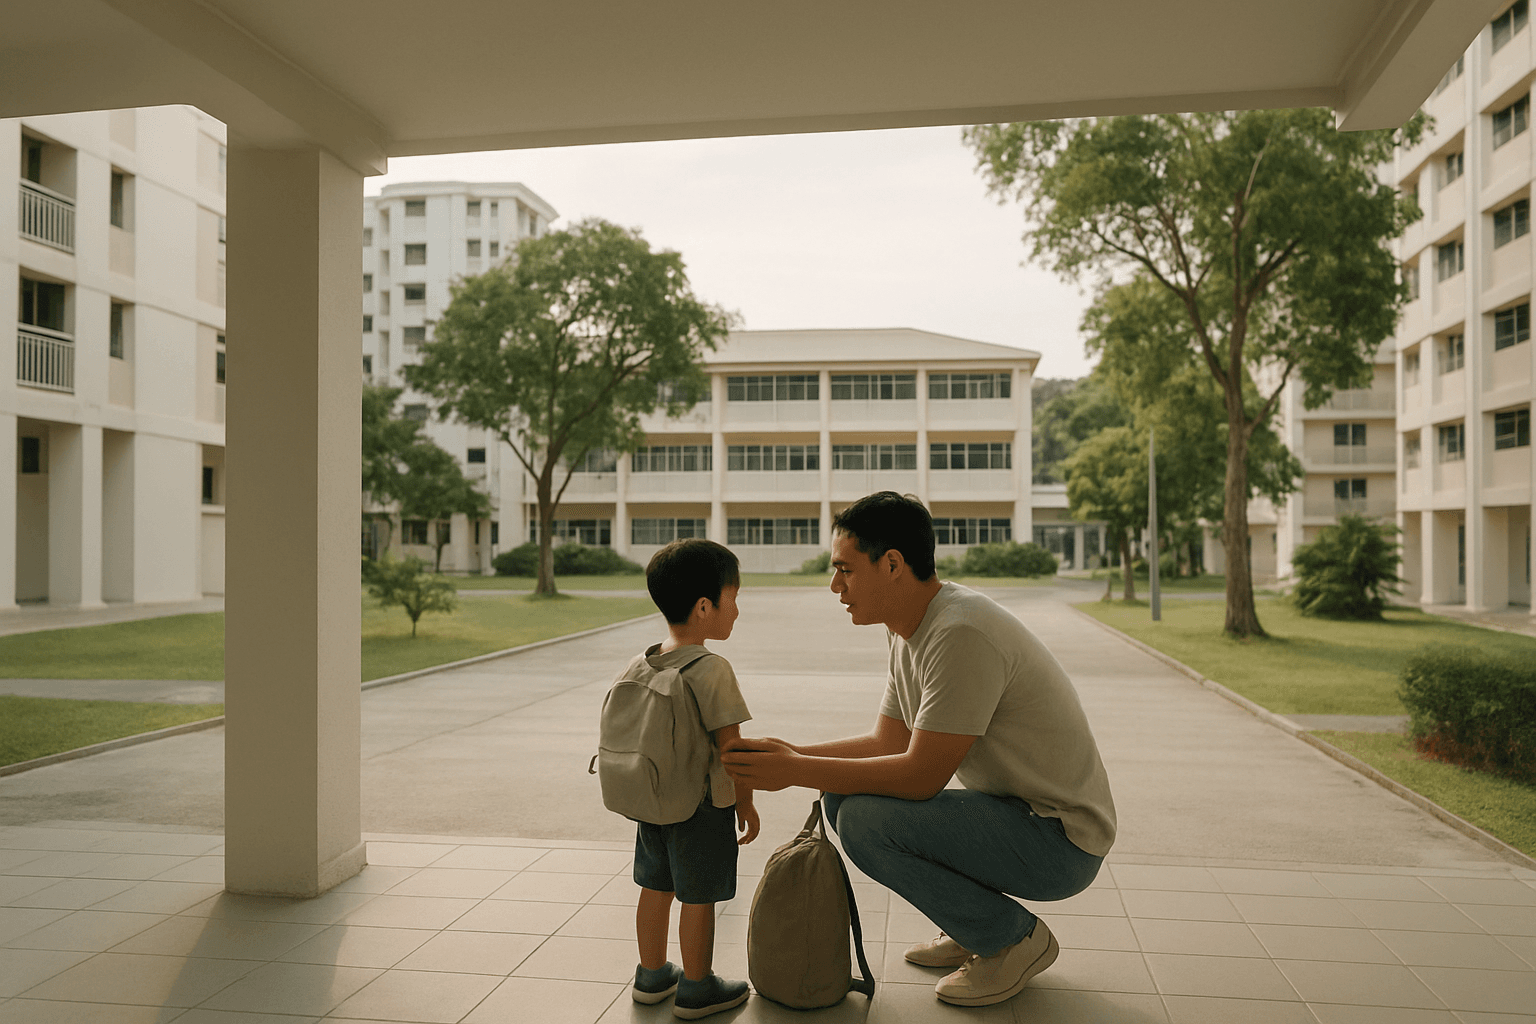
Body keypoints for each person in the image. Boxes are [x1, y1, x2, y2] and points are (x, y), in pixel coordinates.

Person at [722, 491, 1115, 1008]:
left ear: (891, 565)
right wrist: (789, 754)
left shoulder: (960, 632)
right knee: (843, 801)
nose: (834, 585)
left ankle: (1010, 940)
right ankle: (975, 924)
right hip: (1018, 816)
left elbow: (919, 777)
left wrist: (794, 769)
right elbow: (889, 742)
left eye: (844, 569)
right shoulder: (909, 628)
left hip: (1060, 841)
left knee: (862, 820)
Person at [618, 538, 759, 1020]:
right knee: (699, 894)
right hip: (700, 806)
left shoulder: (643, 660)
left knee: (655, 886)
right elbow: (733, 751)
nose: (737, 611)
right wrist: (746, 803)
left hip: (652, 800)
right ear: (705, 606)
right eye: (733, 598)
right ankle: (698, 987)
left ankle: (652, 974)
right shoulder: (710, 668)